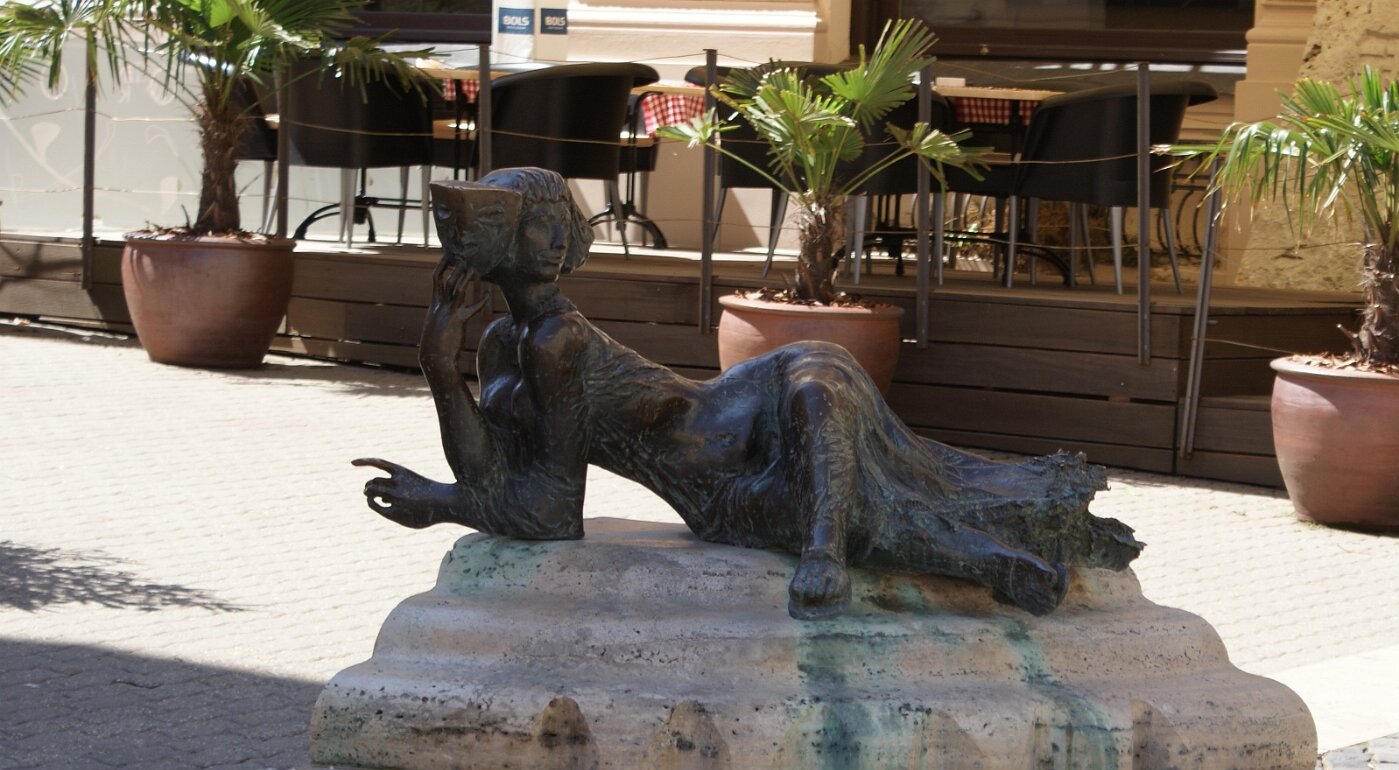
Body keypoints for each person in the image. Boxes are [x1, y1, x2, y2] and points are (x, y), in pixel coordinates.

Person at [357, 167, 1141, 619]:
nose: (558, 235)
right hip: (719, 490)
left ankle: (827, 552)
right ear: (500, 240)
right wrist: (437, 361)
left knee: (817, 382)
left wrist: (445, 502)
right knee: (855, 486)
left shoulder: (552, 338)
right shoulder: (515, 342)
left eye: (563, 217)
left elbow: (533, 507)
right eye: (537, 223)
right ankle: (994, 562)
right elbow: (514, 489)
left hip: (746, 408)